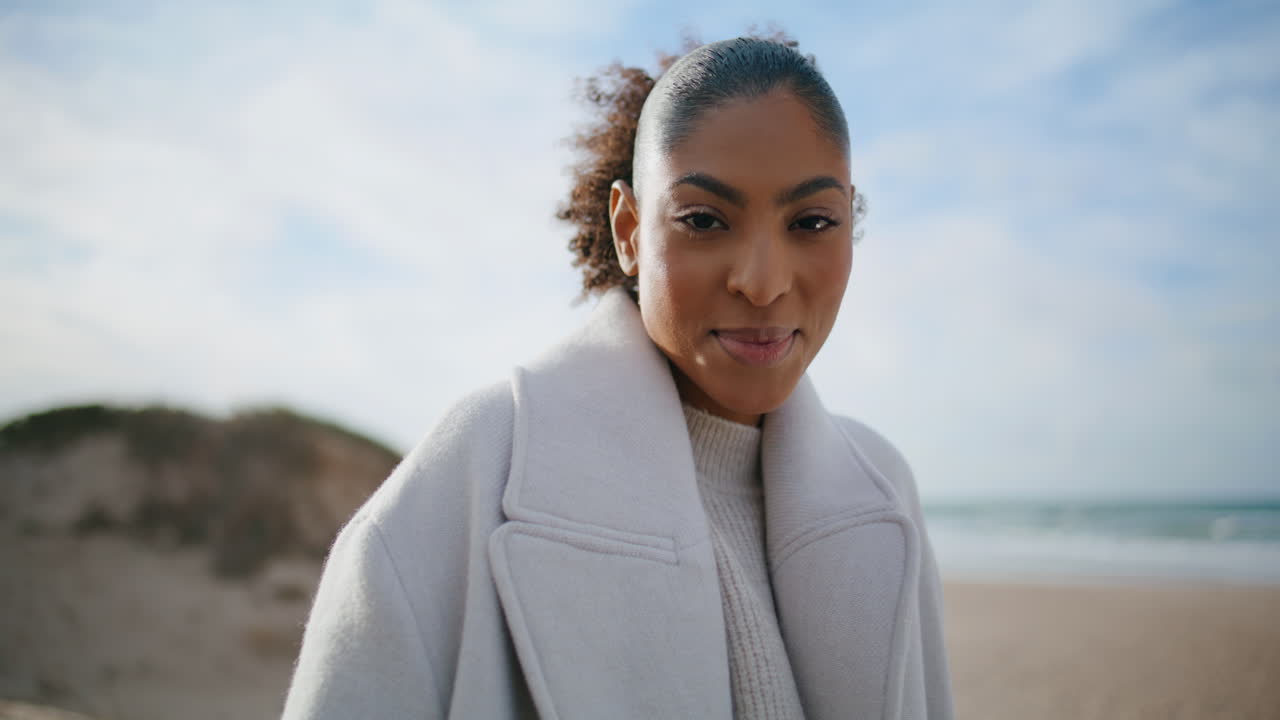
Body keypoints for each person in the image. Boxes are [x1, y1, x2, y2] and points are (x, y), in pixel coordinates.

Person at [282, 35, 953, 720]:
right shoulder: (469, 478)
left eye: (811, 221)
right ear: (629, 231)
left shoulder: (883, 486)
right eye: (703, 220)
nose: (763, 282)